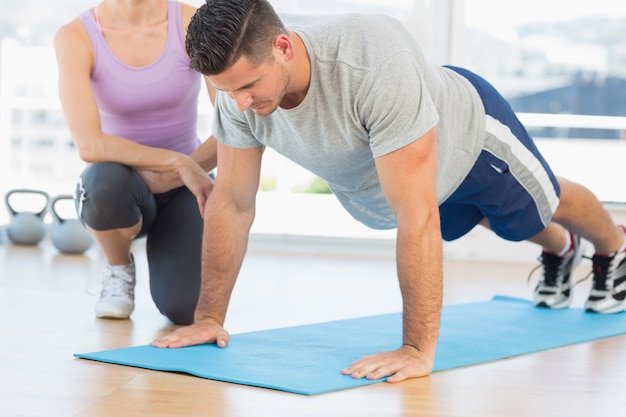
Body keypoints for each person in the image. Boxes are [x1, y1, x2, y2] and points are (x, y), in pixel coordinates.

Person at [152, 0, 626, 382]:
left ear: (283, 47)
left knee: (542, 202)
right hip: (409, 174)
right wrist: (209, 318)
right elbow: (233, 203)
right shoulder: (241, 89)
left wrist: (417, 349)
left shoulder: (372, 63)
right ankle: (562, 251)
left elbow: (417, 219)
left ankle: (614, 248)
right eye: (226, 91)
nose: (241, 105)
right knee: (496, 220)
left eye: (250, 87)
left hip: (470, 139)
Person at [54, 0, 218, 324]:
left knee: (186, 310)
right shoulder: (76, 36)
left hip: (186, 185)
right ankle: (118, 266)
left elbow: (234, 128)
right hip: (119, 183)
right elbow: (90, 144)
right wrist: (175, 162)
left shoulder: (193, 23)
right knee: (103, 186)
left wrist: (180, 171)